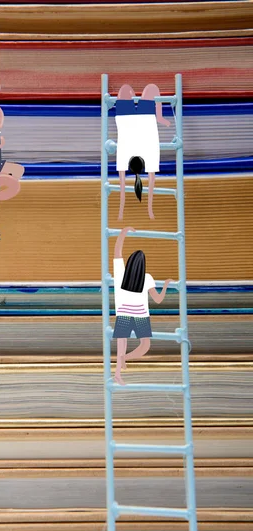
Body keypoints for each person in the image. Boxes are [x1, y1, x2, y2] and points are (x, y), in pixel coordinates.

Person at [112, 226, 173, 385]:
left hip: (123, 313)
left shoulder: (121, 275)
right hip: (140, 315)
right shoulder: (147, 278)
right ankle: (124, 359)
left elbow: (117, 252)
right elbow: (158, 300)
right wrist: (165, 286)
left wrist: (123, 232)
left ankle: (118, 370)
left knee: (121, 343)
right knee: (145, 345)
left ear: (130, 262)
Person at [115, 83, 171, 220]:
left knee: (132, 88)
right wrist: (149, 210)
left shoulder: (145, 154)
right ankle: (139, 104)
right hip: (133, 120)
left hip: (136, 120)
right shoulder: (128, 156)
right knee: (133, 88)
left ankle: (139, 104)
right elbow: (150, 180)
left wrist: (121, 212)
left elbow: (124, 184)